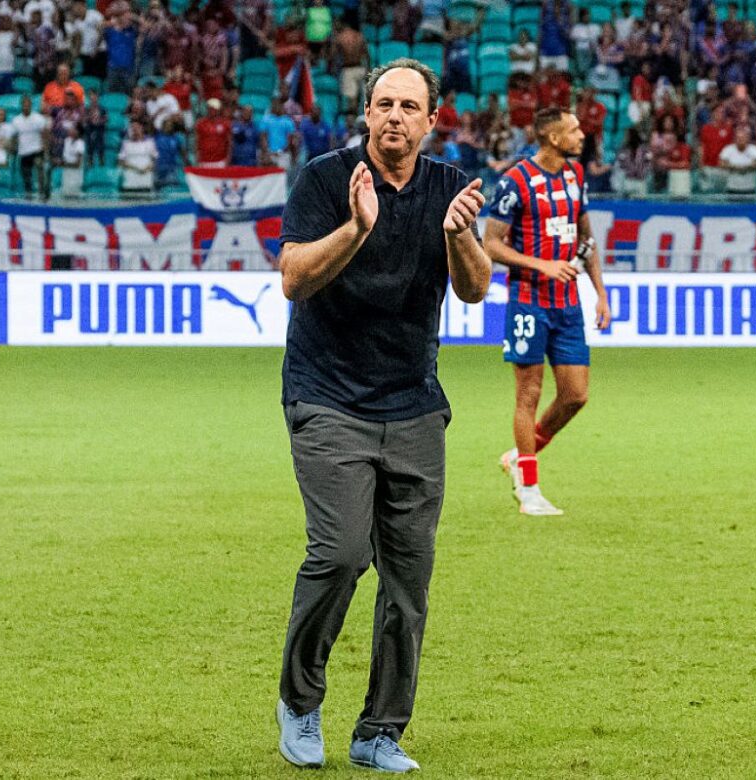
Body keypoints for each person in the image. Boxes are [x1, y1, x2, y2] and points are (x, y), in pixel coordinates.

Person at [274, 58, 491, 774]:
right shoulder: (324, 180)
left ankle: (379, 733)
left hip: (414, 404)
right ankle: (300, 703)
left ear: (433, 119)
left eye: (409, 106)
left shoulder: (450, 187)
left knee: (409, 579)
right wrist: (357, 229)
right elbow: (294, 279)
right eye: (382, 103)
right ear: (365, 114)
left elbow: (474, 292)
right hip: (327, 396)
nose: (394, 115)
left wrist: (461, 234)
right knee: (339, 555)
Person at [483, 107, 611, 516]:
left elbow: (586, 240)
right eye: (573, 130)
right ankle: (530, 489)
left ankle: (521, 455)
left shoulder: (575, 177)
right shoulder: (515, 181)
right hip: (528, 299)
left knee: (575, 395)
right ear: (553, 138)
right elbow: (491, 244)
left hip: (568, 303)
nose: (581, 135)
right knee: (529, 393)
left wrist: (601, 294)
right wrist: (541, 265)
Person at [9, 96, 49, 196]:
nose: (26, 107)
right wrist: (13, 148)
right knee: (26, 175)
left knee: (40, 169)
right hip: (24, 152)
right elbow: (14, 137)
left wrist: (46, 149)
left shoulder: (39, 119)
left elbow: (45, 134)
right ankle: (29, 193)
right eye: (24, 105)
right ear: (21, 106)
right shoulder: (16, 120)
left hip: (37, 150)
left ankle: (42, 192)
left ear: (31, 105)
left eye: (28, 105)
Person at [719, 125, 756, 194]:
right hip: (732, 187)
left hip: (749, 187)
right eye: (738, 138)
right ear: (735, 139)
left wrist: (745, 167)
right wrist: (735, 167)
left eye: (743, 138)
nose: (740, 140)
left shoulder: (754, 149)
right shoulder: (728, 149)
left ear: (747, 138)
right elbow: (721, 163)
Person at [195, 98, 233, 166]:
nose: (212, 111)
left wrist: (228, 159)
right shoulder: (200, 124)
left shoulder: (225, 124)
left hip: (220, 161)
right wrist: (197, 158)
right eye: (210, 108)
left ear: (218, 110)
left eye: (214, 109)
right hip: (204, 160)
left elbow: (229, 143)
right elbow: (197, 142)